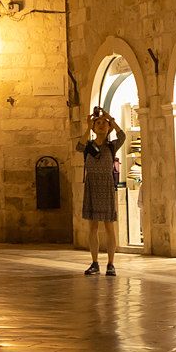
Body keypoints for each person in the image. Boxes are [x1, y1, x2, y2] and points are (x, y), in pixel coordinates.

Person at [77, 107, 125, 276]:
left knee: (109, 226)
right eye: (98, 123)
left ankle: (111, 264)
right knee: (92, 226)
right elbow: (78, 146)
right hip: (92, 185)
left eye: (104, 123)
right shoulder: (88, 145)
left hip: (106, 185)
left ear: (109, 127)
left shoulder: (112, 146)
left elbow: (122, 136)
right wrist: (88, 127)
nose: (101, 125)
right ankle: (95, 262)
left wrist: (110, 118)